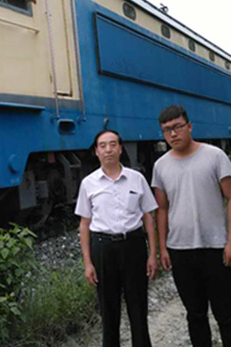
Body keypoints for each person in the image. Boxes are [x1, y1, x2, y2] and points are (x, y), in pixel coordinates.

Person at [152, 105, 231, 347]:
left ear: (189, 126)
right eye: (166, 130)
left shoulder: (215, 156)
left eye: (177, 127)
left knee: (227, 317)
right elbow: (161, 209)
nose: (173, 134)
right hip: (180, 251)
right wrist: (163, 247)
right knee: (195, 315)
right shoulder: (160, 166)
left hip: (216, 249)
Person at [75, 130, 158, 347]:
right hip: (103, 249)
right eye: (103, 145)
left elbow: (148, 217)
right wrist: (87, 263)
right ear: (96, 151)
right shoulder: (88, 184)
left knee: (138, 308)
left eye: (113, 144)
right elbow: (84, 225)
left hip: (133, 246)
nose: (108, 149)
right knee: (108, 310)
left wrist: (153, 255)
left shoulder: (137, 179)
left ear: (120, 148)